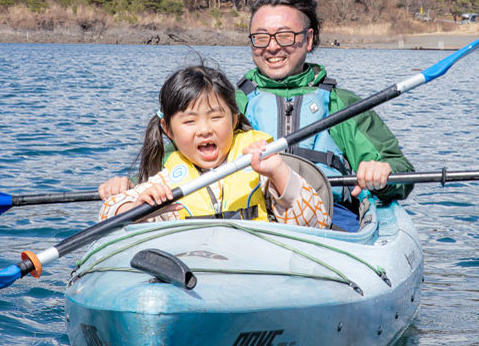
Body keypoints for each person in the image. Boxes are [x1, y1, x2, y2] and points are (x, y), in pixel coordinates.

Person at [100, 0, 414, 231]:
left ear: (308, 40)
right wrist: (128, 186)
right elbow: (173, 162)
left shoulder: (342, 104)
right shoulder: (224, 103)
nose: (272, 47)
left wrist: (383, 175)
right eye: (261, 37)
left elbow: (402, 172)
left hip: (329, 224)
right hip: (242, 228)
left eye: (285, 36)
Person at [99, 65, 331, 229]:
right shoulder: (168, 179)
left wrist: (279, 173)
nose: (204, 130)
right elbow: (107, 214)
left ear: (233, 119)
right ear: (168, 130)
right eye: (189, 121)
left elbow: (317, 223)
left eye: (215, 117)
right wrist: (135, 209)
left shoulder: (262, 169)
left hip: (257, 272)